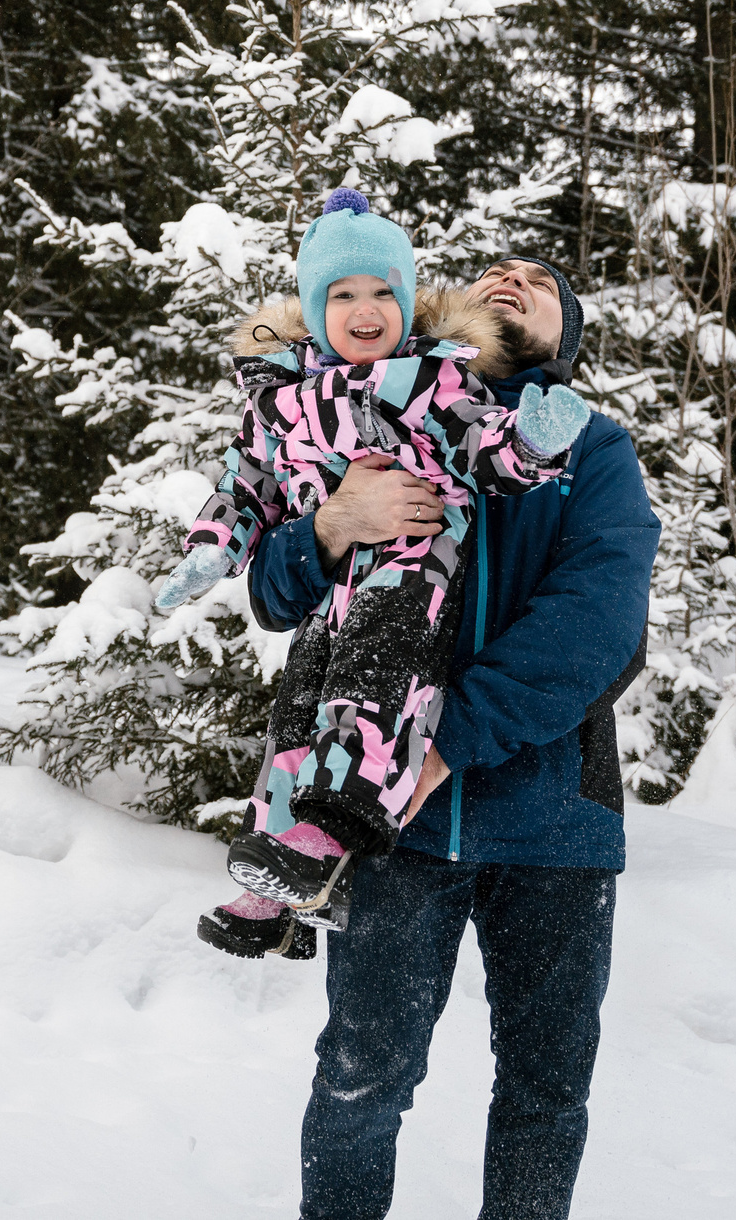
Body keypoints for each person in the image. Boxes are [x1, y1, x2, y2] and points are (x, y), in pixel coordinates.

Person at [249, 251, 661, 1220]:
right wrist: (330, 523)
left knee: (544, 1091)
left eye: (544, 281)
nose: (514, 277)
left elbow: (598, 627)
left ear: (569, 339)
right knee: (362, 1076)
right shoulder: (378, 415)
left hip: (556, 824)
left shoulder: (593, 450)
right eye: (495, 268)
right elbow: (274, 593)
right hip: (396, 826)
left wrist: (443, 744)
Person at [156, 190, 592, 961]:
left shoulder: (430, 381)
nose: (365, 309)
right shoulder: (279, 396)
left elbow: (482, 452)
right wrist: (214, 546)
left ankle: (328, 836)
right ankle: (277, 884)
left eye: (384, 292)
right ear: (314, 310)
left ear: (409, 302)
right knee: (300, 710)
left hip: (413, 569)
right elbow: (247, 479)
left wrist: (533, 442)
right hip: (333, 590)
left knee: (373, 686)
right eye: (343, 294)